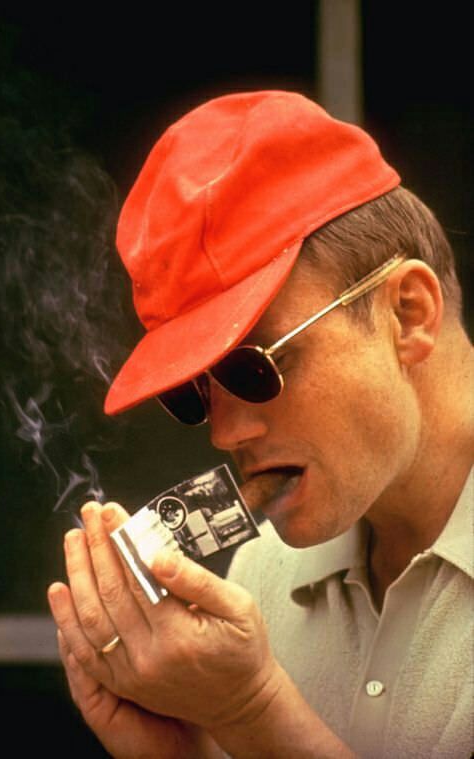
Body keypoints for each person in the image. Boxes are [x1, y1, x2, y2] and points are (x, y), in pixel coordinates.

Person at [47, 91, 473, 758]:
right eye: (194, 394)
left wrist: (251, 714)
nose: (225, 434)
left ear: (408, 313)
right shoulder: (261, 569)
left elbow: (253, 713)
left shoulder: (243, 668)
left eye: (254, 368)